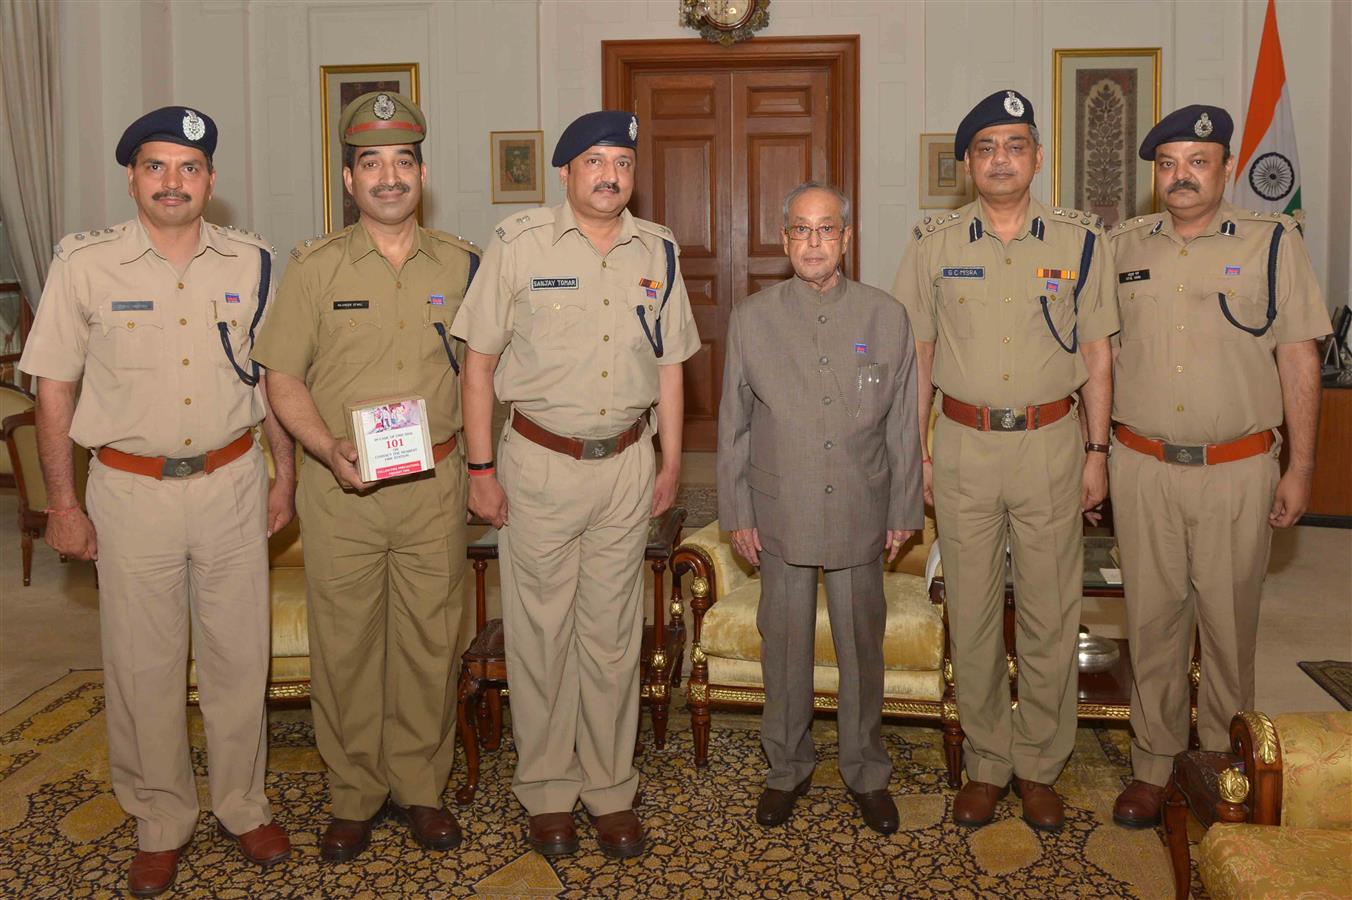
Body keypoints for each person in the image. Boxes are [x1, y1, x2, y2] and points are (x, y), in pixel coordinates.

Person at [18, 106, 294, 897]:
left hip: (234, 483)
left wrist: (285, 476)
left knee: (241, 657)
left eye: (190, 167)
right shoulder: (84, 265)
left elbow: (272, 381)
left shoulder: (254, 262)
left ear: (211, 180)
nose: (173, 182)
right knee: (143, 665)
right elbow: (55, 390)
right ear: (132, 176)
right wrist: (62, 503)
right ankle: (160, 818)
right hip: (130, 491)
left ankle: (244, 805)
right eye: (156, 166)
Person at [451, 110, 699, 859]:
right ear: (566, 172)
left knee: (614, 635)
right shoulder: (519, 244)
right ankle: (549, 791)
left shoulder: (657, 250)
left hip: (626, 463)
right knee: (541, 634)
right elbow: (479, 366)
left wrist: (672, 464)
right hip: (539, 465)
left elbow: (671, 366)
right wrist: (481, 469)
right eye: (594, 161)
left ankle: (610, 788)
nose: (609, 174)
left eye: (621, 161)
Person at [252, 91, 480, 861]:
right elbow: (281, 377)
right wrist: (323, 448)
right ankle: (352, 794)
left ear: (421, 172)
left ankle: (420, 788)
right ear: (349, 179)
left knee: (428, 641)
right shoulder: (314, 269)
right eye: (372, 163)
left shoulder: (463, 263)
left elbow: (486, 374)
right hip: (340, 490)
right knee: (346, 645)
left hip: (433, 490)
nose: (389, 176)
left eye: (403, 161)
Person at [891, 89, 1118, 832]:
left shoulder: (1082, 243)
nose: (1001, 159)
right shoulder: (934, 244)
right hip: (961, 445)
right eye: (985, 147)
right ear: (966, 164)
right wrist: (915, 450)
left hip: (1053, 443)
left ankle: (1040, 765)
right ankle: (988, 764)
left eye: (1015, 145)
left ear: (1038, 158)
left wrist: (1096, 452)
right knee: (975, 609)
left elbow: (1098, 356)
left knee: (1054, 610)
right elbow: (914, 357)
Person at [1107, 105, 1330, 828]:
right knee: (1151, 623)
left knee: (1230, 625)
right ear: (1155, 173)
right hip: (1140, 465)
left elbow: (1299, 355)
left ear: (1225, 167)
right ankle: (1152, 765)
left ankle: (1225, 765)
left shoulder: (1273, 244)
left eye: (1197, 161)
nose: (1181, 176)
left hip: (1238, 468)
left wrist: (1301, 466)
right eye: (1168, 163)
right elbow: (1098, 354)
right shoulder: (1123, 246)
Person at [716, 182, 924, 835]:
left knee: (863, 642)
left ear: (846, 238)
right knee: (784, 642)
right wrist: (737, 512)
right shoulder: (751, 319)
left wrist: (903, 509)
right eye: (801, 230)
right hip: (781, 510)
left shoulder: (886, 317)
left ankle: (865, 769)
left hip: (863, 504)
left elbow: (902, 426)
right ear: (784, 241)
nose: (813, 242)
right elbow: (734, 428)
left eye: (826, 229)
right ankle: (787, 768)